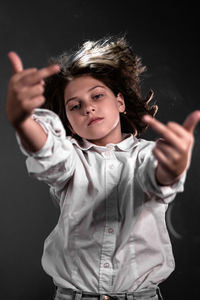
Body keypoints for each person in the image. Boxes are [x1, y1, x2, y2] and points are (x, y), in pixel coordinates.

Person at [6, 37, 200, 300]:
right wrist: (22, 121)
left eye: (97, 95)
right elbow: (48, 154)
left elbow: (156, 177)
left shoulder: (147, 154)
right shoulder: (70, 158)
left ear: (119, 102)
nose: (88, 107)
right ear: (70, 124)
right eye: (75, 106)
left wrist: (174, 165)